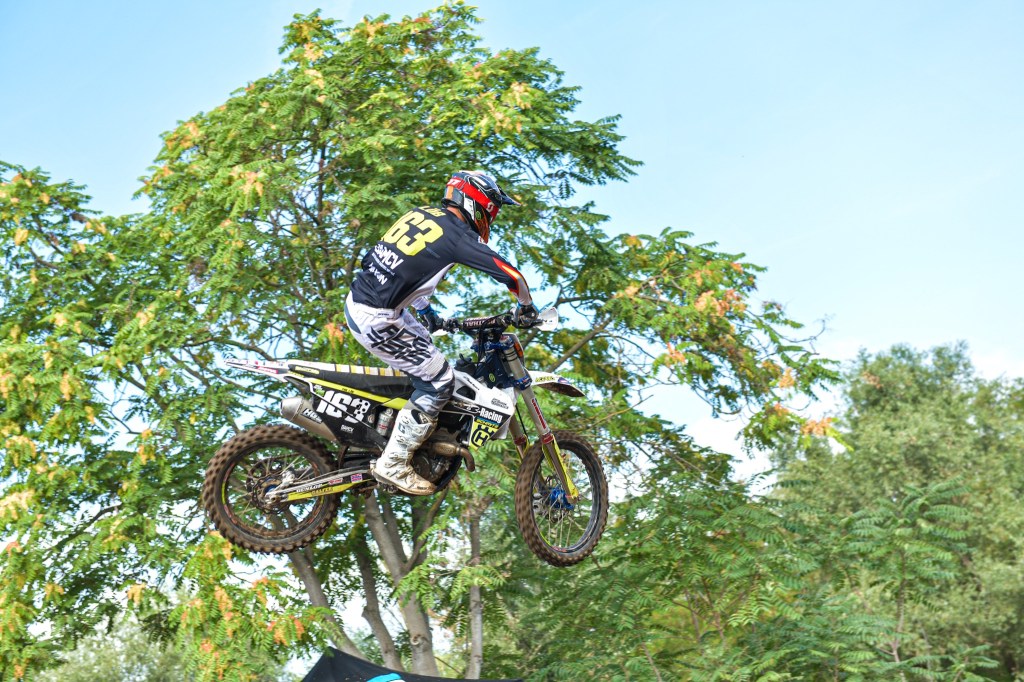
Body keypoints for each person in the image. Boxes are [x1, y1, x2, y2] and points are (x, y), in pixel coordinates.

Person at [344, 170, 537, 495]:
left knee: (427, 352)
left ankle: (400, 430)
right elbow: (510, 275)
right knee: (440, 381)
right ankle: (394, 462)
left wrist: (426, 312)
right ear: (479, 204)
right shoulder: (457, 236)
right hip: (378, 318)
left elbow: (393, 268)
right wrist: (527, 307)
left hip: (363, 302)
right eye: (492, 211)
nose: (492, 217)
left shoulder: (420, 214)